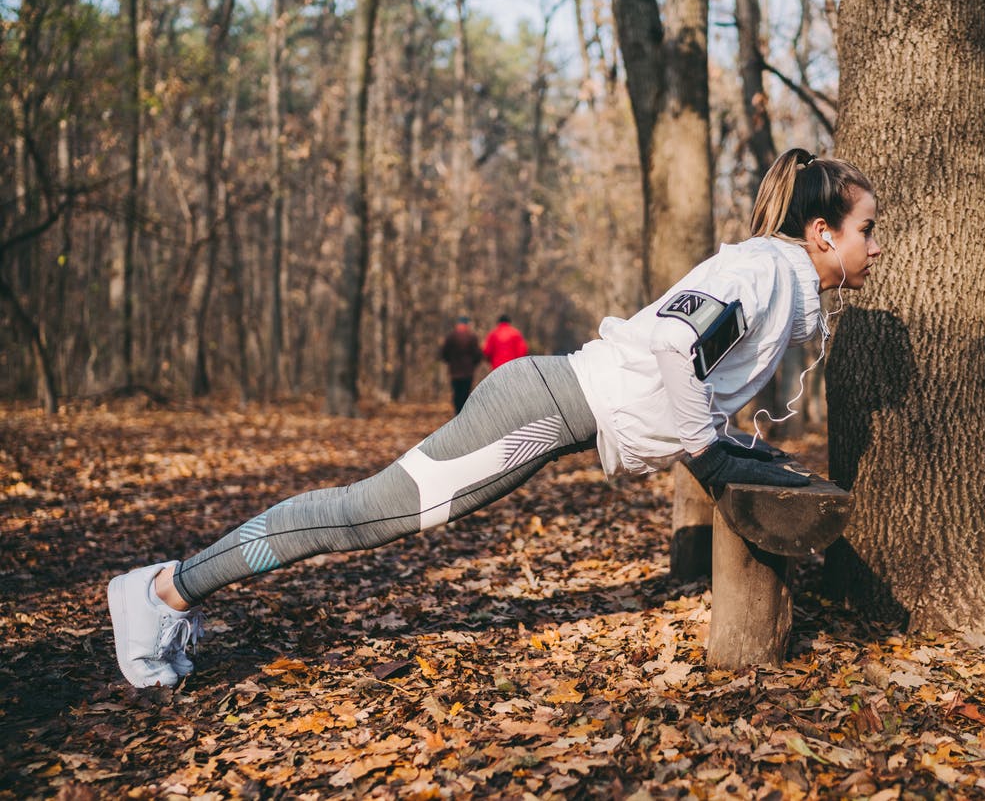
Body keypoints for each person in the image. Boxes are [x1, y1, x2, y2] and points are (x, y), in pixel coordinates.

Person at [106, 149, 881, 688]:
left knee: (364, 514)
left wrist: (726, 443)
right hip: (542, 407)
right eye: (865, 230)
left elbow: (686, 369)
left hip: (550, 403)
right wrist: (710, 456)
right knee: (360, 516)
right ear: (822, 234)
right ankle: (166, 592)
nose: (873, 248)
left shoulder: (773, 278)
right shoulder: (760, 271)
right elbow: (676, 346)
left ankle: (169, 590)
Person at [439, 316, 484, 414]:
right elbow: (477, 354)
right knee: (465, 392)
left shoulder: (451, 337)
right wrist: (473, 364)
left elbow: (444, 353)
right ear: (466, 325)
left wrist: (450, 361)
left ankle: (457, 412)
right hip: (468, 371)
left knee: (457, 392)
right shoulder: (471, 337)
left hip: (455, 371)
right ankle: (464, 413)